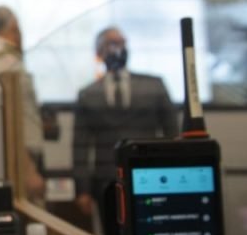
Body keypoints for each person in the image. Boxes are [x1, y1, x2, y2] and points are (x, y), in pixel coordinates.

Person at [73, 27, 178, 221]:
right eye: (111, 43)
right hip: (107, 180)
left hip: (150, 175)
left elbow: (172, 133)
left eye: (122, 43)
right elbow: (80, 145)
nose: (117, 49)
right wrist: (82, 190)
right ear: (99, 51)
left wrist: (174, 174)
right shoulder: (88, 94)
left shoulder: (154, 86)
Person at [0, 5, 46, 202]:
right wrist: (28, 171)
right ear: (14, 27)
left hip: (5, 159)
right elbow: (13, 118)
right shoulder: (4, 59)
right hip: (16, 162)